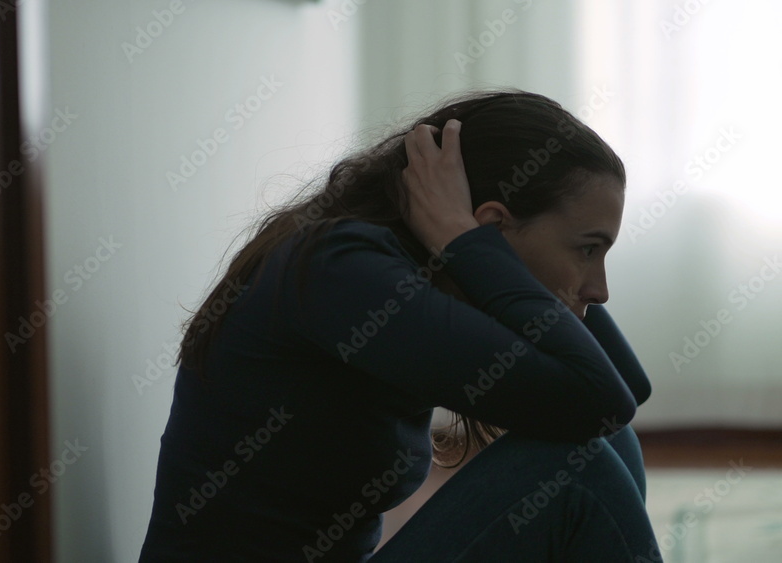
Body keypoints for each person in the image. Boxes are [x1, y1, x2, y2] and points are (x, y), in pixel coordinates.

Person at [138, 89, 663, 562]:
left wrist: (476, 248)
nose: (600, 289)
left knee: (607, 443)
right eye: (587, 249)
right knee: (580, 467)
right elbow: (602, 398)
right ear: (492, 225)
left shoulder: (404, 264)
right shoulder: (343, 271)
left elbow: (624, 392)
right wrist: (471, 244)